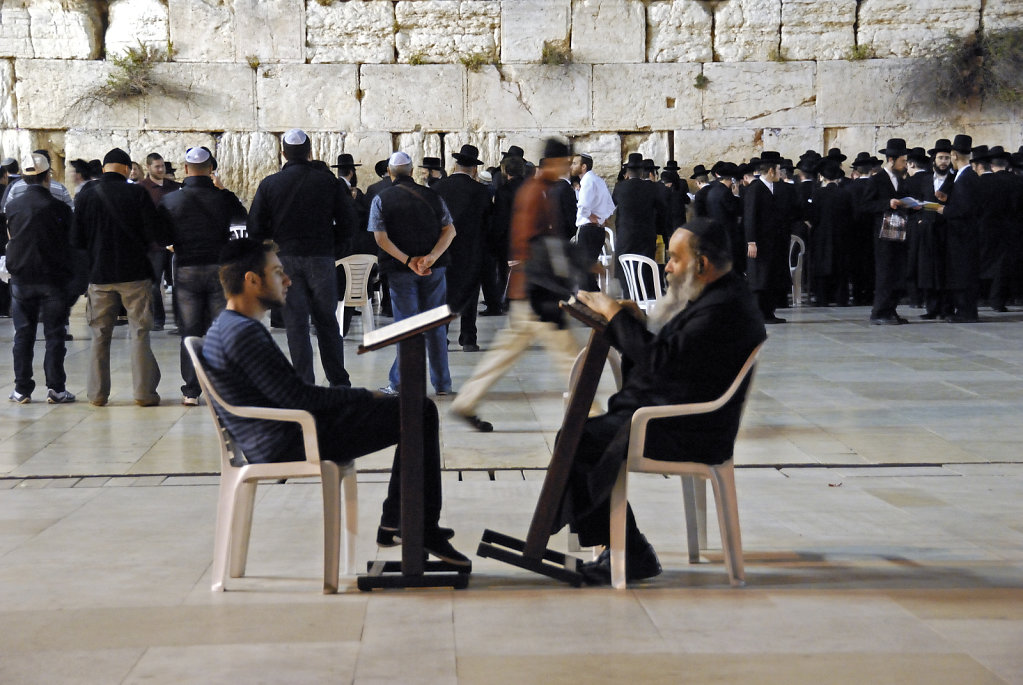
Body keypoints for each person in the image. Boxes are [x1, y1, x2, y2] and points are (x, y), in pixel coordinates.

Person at [202, 238, 468, 565]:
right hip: (288, 440)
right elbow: (299, 398)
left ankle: (399, 521)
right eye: (277, 273)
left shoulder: (228, 326)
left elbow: (293, 396)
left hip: (279, 433)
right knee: (419, 410)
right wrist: (365, 395)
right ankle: (416, 524)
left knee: (411, 410)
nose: (287, 281)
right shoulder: (242, 333)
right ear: (252, 280)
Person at [561, 218, 766, 584]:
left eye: (673, 259)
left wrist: (614, 315)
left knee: (579, 438)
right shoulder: (717, 294)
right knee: (580, 435)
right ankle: (620, 546)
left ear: (701, 265)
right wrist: (633, 319)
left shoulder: (724, 307)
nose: (667, 267)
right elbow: (674, 355)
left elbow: (658, 361)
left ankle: (630, 551)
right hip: (674, 414)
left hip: (690, 428)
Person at [451, 138, 585, 432]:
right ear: (553, 163)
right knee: (569, 356)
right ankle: (595, 414)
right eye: (564, 162)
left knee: (505, 353)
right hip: (538, 290)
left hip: (530, 289)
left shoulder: (539, 189)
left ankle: (466, 401)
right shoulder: (536, 192)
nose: (568, 167)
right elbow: (535, 241)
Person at [248, 128, 358, 386]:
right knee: (327, 322)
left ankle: (304, 383)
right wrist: (334, 247)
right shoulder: (328, 181)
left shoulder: (270, 184)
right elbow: (349, 222)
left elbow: (255, 228)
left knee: (296, 324)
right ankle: (338, 380)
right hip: (321, 257)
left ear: (283, 153)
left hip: (285, 260)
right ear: (310, 152)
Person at [70, 147, 165, 406]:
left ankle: (97, 394)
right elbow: (152, 233)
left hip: (100, 275)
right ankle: (143, 393)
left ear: (103, 169)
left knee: (100, 335)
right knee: (139, 333)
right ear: (126, 169)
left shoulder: (86, 196)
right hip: (134, 274)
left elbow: (76, 239)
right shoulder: (137, 193)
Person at [157, 146, 247, 406]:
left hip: (186, 269)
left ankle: (191, 391)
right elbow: (242, 226)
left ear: (185, 169)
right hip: (219, 269)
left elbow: (162, 237)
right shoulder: (225, 198)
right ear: (211, 169)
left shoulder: (171, 200)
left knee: (190, 330)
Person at [368, 151, 456, 395]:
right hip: (433, 269)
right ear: (411, 171)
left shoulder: (381, 199)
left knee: (407, 326)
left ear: (389, 172)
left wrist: (408, 261)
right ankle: (442, 384)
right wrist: (430, 258)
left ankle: (399, 383)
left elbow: (380, 238)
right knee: (435, 326)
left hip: (400, 271)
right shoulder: (433, 196)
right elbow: (449, 231)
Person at [5, 152, 75, 404]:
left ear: (23, 177)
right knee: (55, 334)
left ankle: (22, 389)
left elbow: (11, 237)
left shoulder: (12, 206)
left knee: (23, 335)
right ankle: (56, 388)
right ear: (48, 176)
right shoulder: (60, 208)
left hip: (22, 278)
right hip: (53, 279)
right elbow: (70, 242)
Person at [433, 144, 492, 352]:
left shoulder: (439, 188)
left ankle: (441, 336)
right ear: (474, 169)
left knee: (444, 293)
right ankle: (468, 338)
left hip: (444, 249)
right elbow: (488, 223)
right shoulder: (481, 191)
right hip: (472, 250)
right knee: (470, 292)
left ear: (455, 165)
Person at [744, 151, 794, 323]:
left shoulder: (775, 188)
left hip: (774, 242)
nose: (781, 173)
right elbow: (750, 216)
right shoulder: (755, 188)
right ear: (772, 171)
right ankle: (760, 313)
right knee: (760, 277)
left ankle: (769, 312)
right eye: (779, 170)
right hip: (760, 242)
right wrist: (751, 241)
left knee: (771, 277)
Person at [612, 153, 667, 295]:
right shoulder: (652, 188)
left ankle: (629, 296)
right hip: (646, 236)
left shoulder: (619, 188)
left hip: (625, 235)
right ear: (642, 171)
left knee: (626, 269)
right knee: (645, 268)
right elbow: (662, 210)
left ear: (627, 172)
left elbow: (611, 207)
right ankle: (645, 298)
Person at [139, 153, 181, 331]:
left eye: (162, 166)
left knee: (178, 283)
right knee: (154, 283)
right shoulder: (142, 189)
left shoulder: (174, 187)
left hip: (175, 242)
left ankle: (181, 321)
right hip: (154, 244)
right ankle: (158, 319)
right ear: (148, 167)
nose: (161, 169)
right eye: (157, 166)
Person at [571, 152, 616, 289]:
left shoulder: (588, 181)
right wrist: (602, 218)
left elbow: (583, 206)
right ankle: (592, 301)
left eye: (575, 163)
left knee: (584, 271)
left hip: (588, 230)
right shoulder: (598, 180)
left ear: (583, 166)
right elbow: (610, 206)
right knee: (587, 270)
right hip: (597, 230)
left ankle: (594, 301)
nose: (572, 166)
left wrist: (590, 216)